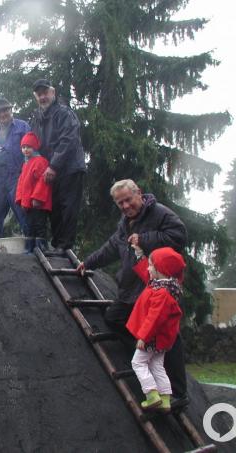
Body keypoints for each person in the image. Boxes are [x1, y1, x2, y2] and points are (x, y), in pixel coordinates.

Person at [76, 179, 189, 400]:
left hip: (157, 288)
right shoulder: (124, 223)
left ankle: (178, 392)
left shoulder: (159, 214)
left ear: (139, 193)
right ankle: (145, 355)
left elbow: (179, 236)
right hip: (131, 288)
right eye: (120, 203)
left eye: (128, 200)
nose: (126, 206)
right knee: (114, 318)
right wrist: (88, 263)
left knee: (170, 337)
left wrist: (145, 240)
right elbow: (112, 247)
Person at [29, 79, 86, 251]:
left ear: (53, 93)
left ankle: (65, 246)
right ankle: (56, 245)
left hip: (70, 168)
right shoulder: (37, 118)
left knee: (67, 207)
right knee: (53, 208)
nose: (43, 97)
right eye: (39, 94)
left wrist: (53, 166)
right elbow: (34, 144)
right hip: (49, 170)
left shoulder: (64, 113)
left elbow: (68, 140)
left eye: (45, 93)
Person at [126, 246, 185, 412]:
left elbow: (155, 318)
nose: (148, 268)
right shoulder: (165, 286)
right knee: (157, 366)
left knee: (137, 363)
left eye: (151, 265)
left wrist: (143, 337)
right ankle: (165, 399)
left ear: (160, 269)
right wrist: (140, 254)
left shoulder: (161, 293)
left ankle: (151, 394)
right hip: (162, 339)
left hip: (152, 338)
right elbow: (148, 276)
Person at [0, 98, 31, 252]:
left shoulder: (23, 126)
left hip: (17, 176)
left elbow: (31, 150)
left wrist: (28, 174)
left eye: (5, 110)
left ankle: (34, 249)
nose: (2, 114)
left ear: (11, 110)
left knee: (23, 212)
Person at [14, 131, 52, 253]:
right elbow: (21, 183)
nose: (25, 150)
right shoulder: (25, 164)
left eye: (28, 147)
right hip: (28, 204)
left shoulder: (40, 161)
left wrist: (37, 198)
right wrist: (20, 199)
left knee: (39, 225)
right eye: (23, 147)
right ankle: (30, 248)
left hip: (38, 203)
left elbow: (43, 181)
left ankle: (41, 248)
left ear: (35, 147)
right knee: (29, 226)